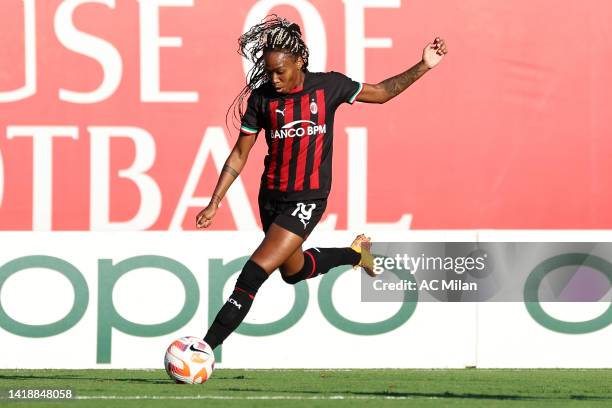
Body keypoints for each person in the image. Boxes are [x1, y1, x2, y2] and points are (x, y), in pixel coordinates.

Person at [196, 15, 447, 350]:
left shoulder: (329, 87)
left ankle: (202, 349)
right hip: (270, 199)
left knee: (254, 274)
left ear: (299, 61)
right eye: (268, 71)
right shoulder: (261, 100)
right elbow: (240, 154)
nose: (274, 79)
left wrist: (423, 65)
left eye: (279, 71)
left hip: (307, 199)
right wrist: (215, 201)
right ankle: (356, 254)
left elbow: (384, 93)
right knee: (293, 273)